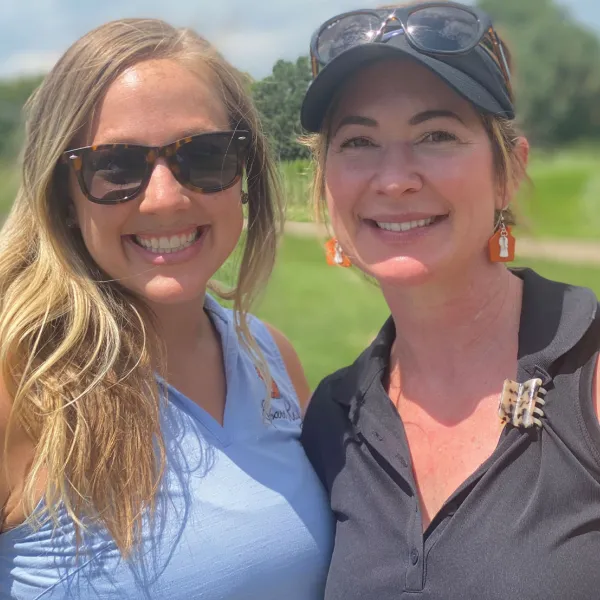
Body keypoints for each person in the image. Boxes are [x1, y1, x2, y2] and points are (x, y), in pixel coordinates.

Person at [0, 19, 332, 599]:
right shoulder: (19, 378)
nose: (166, 198)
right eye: (116, 167)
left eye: (203, 157)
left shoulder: (271, 359)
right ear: (65, 197)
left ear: (244, 176)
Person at [299, 3, 600, 599]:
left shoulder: (589, 374)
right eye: (358, 140)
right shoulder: (332, 418)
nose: (394, 179)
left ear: (508, 171)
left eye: (436, 135)